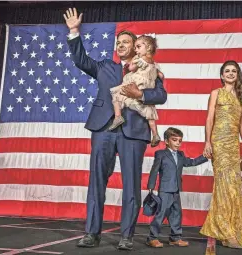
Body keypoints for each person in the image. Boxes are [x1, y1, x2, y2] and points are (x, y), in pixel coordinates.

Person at [63, 8, 167, 250]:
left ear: (136, 47)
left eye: (126, 42)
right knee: (97, 181)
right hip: (104, 127)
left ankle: (126, 236)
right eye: (118, 42)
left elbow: (161, 95)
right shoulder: (105, 67)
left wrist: (141, 93)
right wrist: (74, 32)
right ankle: (91, 233)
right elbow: (81, 60)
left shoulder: (148, 68)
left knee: (131, 184)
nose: (120, 45)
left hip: (134, 130)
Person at [199, 60, 242, 254]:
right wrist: (207, 142)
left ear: (237, 75)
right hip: (219, 143)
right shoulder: (215, 93)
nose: (230, 73)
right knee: (223, 185)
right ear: (221, 75)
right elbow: (209, 118)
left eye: (233, 71)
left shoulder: (240, 96)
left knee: (233, 187)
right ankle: (225, 233)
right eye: (227, 71)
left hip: (233, 146)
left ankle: (230, 232)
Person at [146, 127, 208, 248]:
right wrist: (151, 185)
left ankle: (175, 237)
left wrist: (205, 156)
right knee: (161, 213)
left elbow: (191, 162)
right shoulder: (161, 154)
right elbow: (154, 170)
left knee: (176, 213)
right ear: (167, 141)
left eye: (180, 140)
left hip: (176, 189)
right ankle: (152, 238)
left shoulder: (180, 155)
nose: (178, 143)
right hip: (165, 189)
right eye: (174, 140)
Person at [108, 35, 162, 147]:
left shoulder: (138, 59)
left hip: (136, 83)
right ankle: (155, 134)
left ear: (148, 47)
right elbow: (159, 75)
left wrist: (132, 63)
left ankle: (118, 117)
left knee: (115, 94)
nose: (136, 50)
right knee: (150, 113)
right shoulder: (154, 63)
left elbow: (131, 69)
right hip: (147, 85)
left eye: (138, 47)